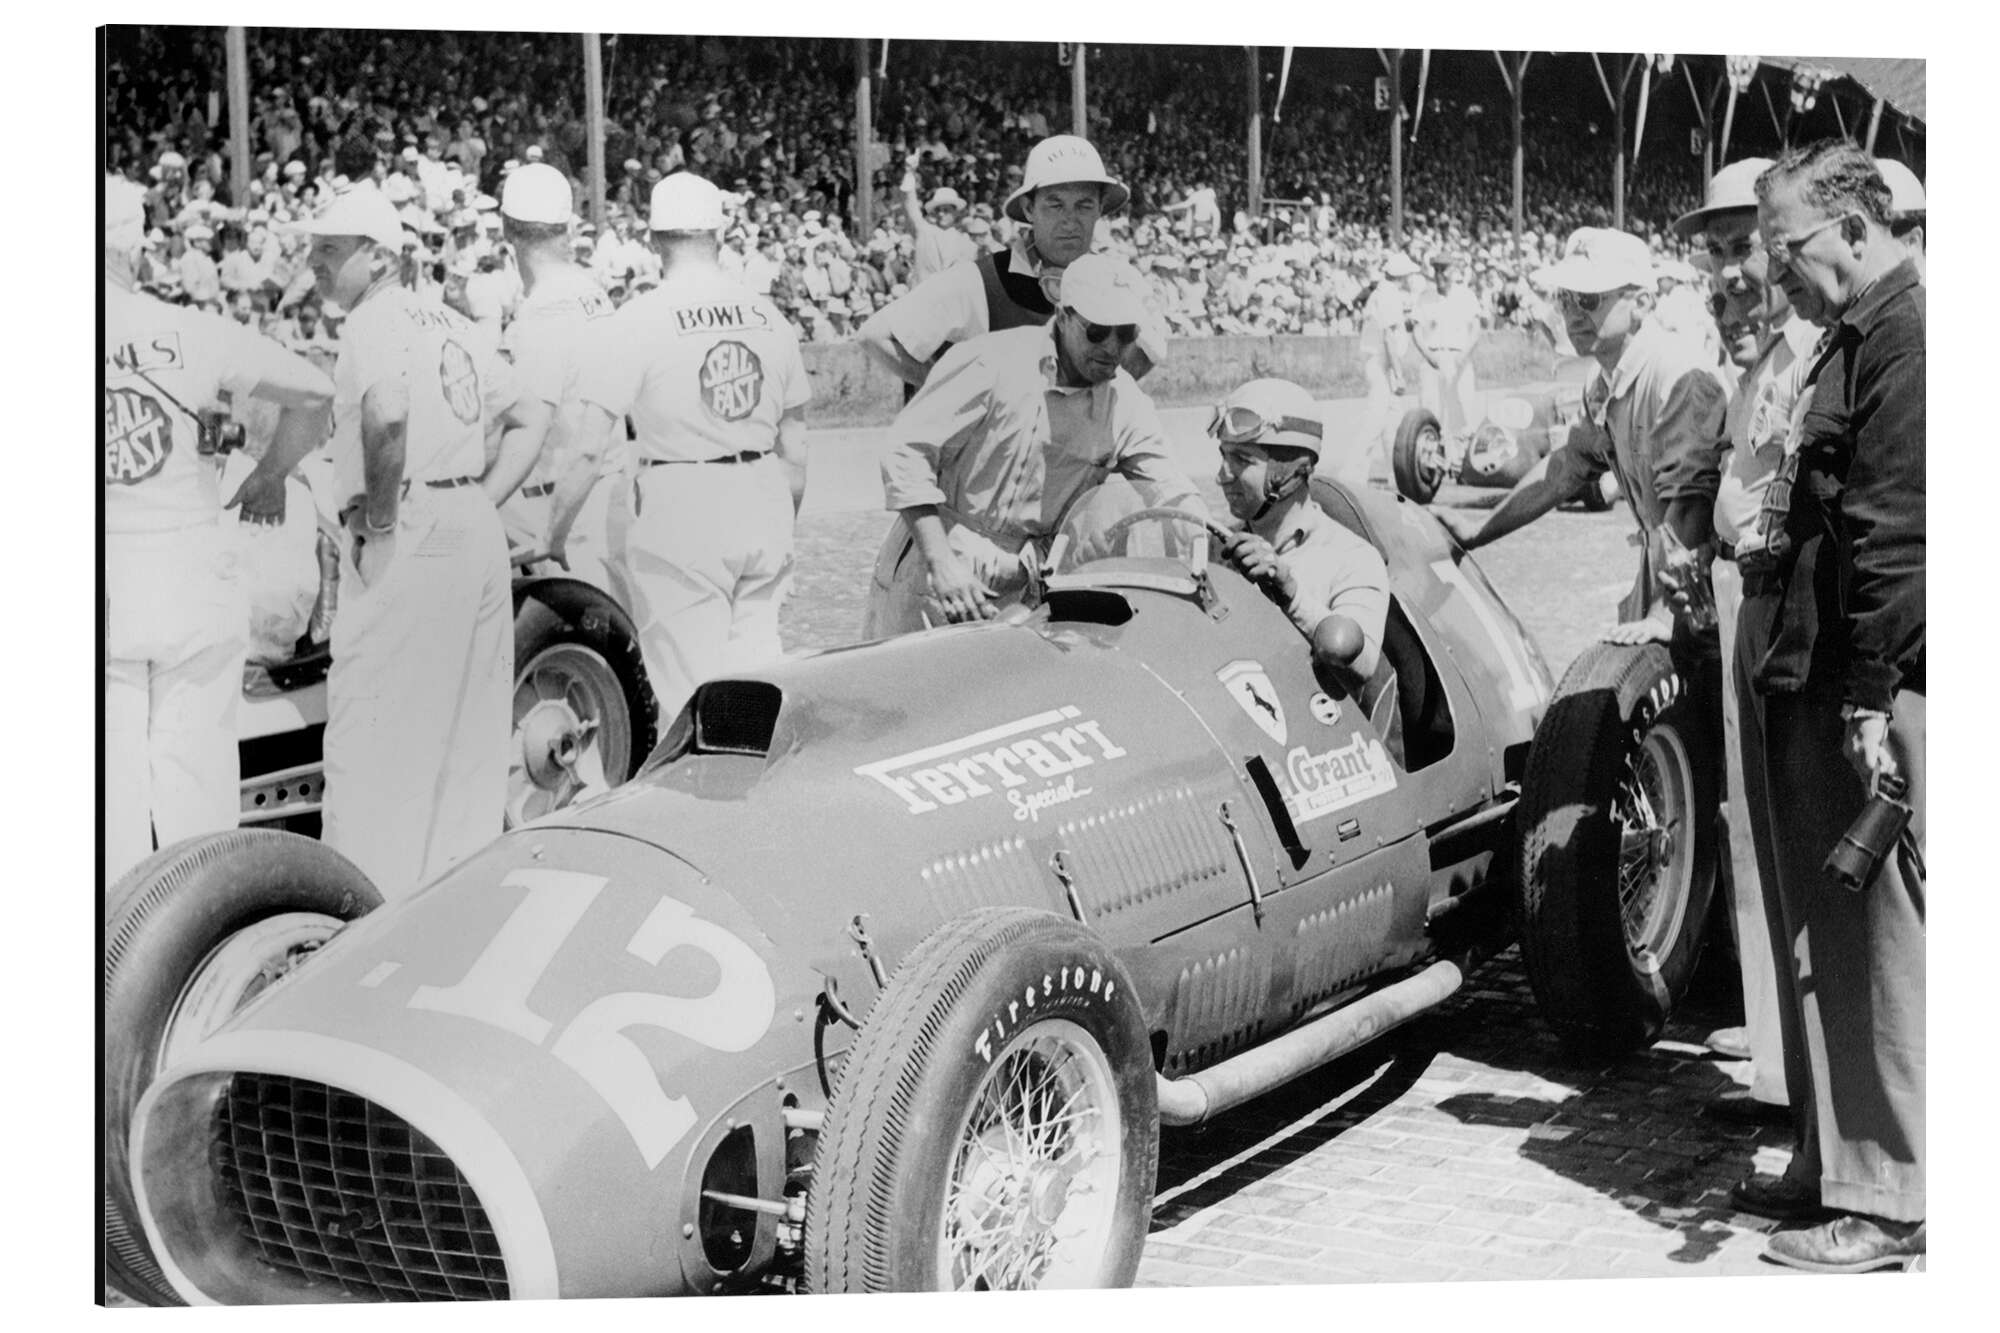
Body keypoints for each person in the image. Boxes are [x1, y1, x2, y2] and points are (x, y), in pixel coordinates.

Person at [1736, 142, 1925, 1274]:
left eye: (1788, 249)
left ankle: (1893, 1196)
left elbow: (1898, 533)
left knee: (1875, 939)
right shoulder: (1859, 330)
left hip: (1866, 680)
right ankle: (1837, 1163)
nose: (1777, 274)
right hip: (1823, 666)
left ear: (1853, 228)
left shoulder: (1908, 335)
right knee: (1825, 936)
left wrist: (1870, 697)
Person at [291, 185, 537, 900]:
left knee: (373, 741)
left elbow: (389, 414)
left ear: (378, 258)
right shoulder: (451, 317)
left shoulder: (374, 320)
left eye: (330, 250)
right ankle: (454, 911)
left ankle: (365, 917)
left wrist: (383, 523)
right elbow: (526, 417)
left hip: (410, 521)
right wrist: (479, 501)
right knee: (465, 737)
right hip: (465, 518)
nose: (313, 263)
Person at [104, 175, 335, 882]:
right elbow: (315, 391)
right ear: (136, 249)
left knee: (106, 806)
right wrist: (270, 475)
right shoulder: (194, 330)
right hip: (191, 569)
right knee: (197, 791)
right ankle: (202, 929)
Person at [557, 172, 810, 724]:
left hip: (684, 498)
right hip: (763, 494)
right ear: (719, 235)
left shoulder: (639, 319)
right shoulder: (769, 317)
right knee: (758, 688)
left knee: (689, 699)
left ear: (654, 240)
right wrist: (782, 525)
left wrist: (553, 533)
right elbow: (796, 451)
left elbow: (587, 449)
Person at [1667, 156, 1805, 1129]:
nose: (1727, 271)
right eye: (1714, 252)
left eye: (1743, 246)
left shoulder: (1807, 352)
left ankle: (1798, 1073)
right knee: (1749, 832)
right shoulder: (1753, 359)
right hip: (1735, 587)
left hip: (1780, 599)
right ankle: (1774, 1060)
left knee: (1783, 833)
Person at [865, 253, 1202, 634]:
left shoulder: (1126, 403)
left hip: (1024, 582)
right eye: (1097, 332)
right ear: (1063, 316)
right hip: (935, 561)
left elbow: (1170, 488)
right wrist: (940, 561)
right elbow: (906, 451)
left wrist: (1213, 541)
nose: (1111, 348)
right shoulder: (990, 360)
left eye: (1125, 334)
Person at [1438, 227, 1726, 647]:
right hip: (1668, 572)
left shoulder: (1678, 372)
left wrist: (1661, 614)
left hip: (1710, 581)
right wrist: (1479, 528)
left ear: (1641, 303)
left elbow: (1690, 503)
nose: (1573, 314)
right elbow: (1563, 469)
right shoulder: (1602, 379)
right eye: (1566, 299)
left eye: (1589, 300)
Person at [857, 134, 1166, 390]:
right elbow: (876, 336)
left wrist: (1103, 399)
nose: (1070, 220)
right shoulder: (981, 281)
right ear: (1029, 208)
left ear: (1100, 208)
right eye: (1055, 205)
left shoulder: (1120, 281)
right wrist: (960, 398)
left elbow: (1153, 349)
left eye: (1084, 206)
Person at [488, 163, 618, 589]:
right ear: (567, 226)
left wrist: (478, 509)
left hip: (562, 510)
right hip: (605, 492)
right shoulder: (593, 293)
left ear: (507, 229)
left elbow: (530, 429)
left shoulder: (542, 312)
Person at [1210, 378, 1388, 690]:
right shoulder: (1219, 546)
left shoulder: (1354, 559)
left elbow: (1362, 665)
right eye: (1224, 456)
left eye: (1241, 459)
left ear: (1289, 470)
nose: (1221, 476)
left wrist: (1290, 594)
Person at [1350, 253, 1422, 490]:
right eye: (1409, 274)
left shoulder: (1383, 293)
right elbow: (1389, 337)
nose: (1411, 278)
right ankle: (1352, 476)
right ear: (1402, 276)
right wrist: (1399, 374)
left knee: (1393, 425)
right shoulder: (1388, 295)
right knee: (1374, 422)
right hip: (1383, 364)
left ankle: (1397, 475)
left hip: (1383, 364)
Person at [1413, 258, 1484, 439]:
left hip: (1458, 357)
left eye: (1443, 270)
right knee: (1430, 410)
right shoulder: (1425, 297)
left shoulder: (1466, 295)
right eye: (1436, 270)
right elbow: (1417, 331)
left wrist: (1464, 354)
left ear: (1453, 271)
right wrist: (1428, 355)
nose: (1439, 275)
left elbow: (1476, 329)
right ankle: (1433, 450)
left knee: (1464, 411)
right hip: (1433, 359)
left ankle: (1463, 451)